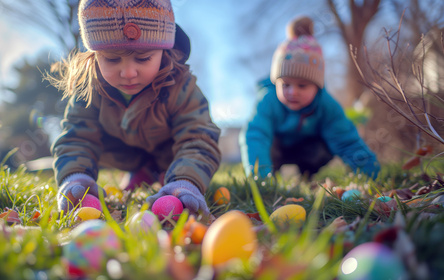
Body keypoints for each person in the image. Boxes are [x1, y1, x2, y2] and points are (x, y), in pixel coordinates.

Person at [48, 0, 221, 218]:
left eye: (143, 58)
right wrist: (75, 177)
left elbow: (199, 137)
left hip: (168, 152)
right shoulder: (90, 88)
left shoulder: (181, 86)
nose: (128, 72)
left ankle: (162, 174)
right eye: (111, 59)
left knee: (177, 163)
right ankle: (143, 172)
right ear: (94, 54)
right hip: (125, 153)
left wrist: (186, 182)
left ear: (165, 49)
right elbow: (77, 137)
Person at [239, 16, 379, 180]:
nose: (293, 92)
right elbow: (256, 135)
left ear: (317, 86)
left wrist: (369, 171)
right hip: (277, 149)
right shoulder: (268, 101)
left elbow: (345, 138)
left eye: (302, 86)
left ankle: (306, 175)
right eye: (285, 85)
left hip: (307, 150)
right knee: (264, 144)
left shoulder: (326, 105)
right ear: (275, 83)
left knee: (324, 146)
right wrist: (259, 176)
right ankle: (269, 176)